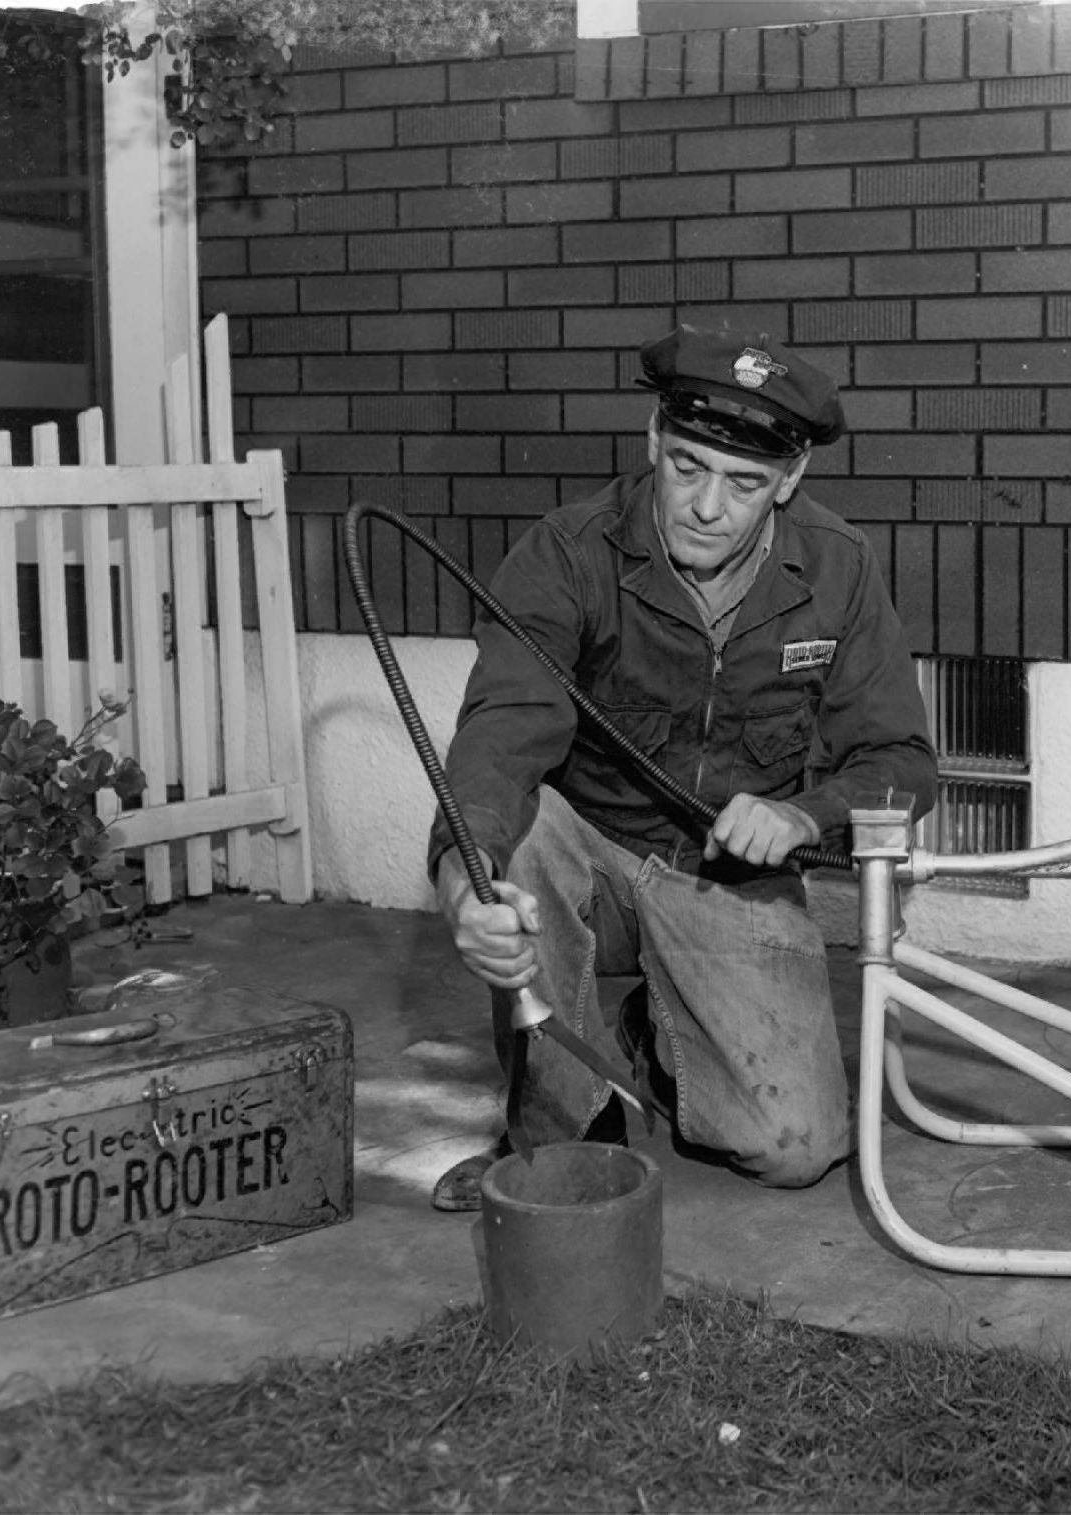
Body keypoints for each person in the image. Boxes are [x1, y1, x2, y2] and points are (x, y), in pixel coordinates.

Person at [428, 324, 937, 1210]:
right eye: (687, 466)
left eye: (744, 483)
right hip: (589, 857)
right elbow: (502, 733)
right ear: (652, 441)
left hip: (725, 879)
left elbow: (903, 758)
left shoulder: (838, 567)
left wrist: (805, 813)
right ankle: (559, 1131)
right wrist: (461, 880)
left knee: (793, 1147)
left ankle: (652, 1037)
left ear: (790, 479)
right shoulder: (566, 553)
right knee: (524, 835)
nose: (707, 506)